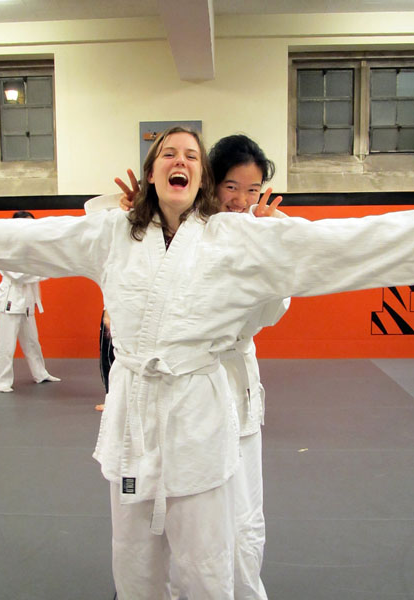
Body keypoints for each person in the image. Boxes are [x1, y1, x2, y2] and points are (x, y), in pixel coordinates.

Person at [0, 127, 413, 600]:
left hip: (198, 415)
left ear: (201, 178)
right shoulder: (111, 232)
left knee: (204, 557)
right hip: (134, 417)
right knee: (133, 552)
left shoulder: (235, 238)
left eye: (192, 156)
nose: (180, 160)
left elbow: (345, 244)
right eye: (169, 154)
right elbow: (23, 239)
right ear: (152, 171)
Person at [108, 134, 290, 599]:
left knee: (242, 515)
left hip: (229, 382)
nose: (242, 201)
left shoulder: (256, 230)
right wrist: (142, 210)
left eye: (253, 190)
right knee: (171, 516)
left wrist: (267, 251)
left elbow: (269, 313)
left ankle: (241, 590)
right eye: (232, 187)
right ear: (212, 183)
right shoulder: (187, 226)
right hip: (179, 390)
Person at [0, 210, 61, 393]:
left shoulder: (32, 248)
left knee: (32, 342)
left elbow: (34, 272)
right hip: (10, 302)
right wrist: (45, 272)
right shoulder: (5, 247)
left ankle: (40, 373)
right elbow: (18, 275)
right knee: (5, 344)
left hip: (27, 303)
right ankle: (0, 381)